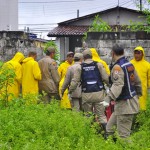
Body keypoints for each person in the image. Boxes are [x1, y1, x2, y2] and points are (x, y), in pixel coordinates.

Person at [101, 44, 142, 139]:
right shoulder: (129, 64)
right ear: (123, 52)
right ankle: (111, 146)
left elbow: (117, 85)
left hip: (125, 104)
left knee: (123, 137)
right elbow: (137, 81)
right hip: (126, 103)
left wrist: (107, 99)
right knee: (109, 128)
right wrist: (138, 94)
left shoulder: (117, 67)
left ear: (113, 54)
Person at [69, 49, 109, 127]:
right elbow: (105, 78)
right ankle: (106, 135)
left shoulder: (80, 67)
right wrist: (109, 87)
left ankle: (90, 133)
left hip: (86, 94)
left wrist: (70, 92)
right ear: (92, 56)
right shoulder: (99, 65)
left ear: (83, 57)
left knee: (88, 115)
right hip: (99, 93)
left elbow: (75, 81)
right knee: (101, 116)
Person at [130, 46, 150, 110]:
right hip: (132, 88)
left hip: (143, 88)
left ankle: (142, 118)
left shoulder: (147, 65)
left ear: (142, 54)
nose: (137, 55)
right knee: (133, 105)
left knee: (142, 106)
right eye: (135, 53)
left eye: (139, 53)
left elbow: (149, 77)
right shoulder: (130, 63)